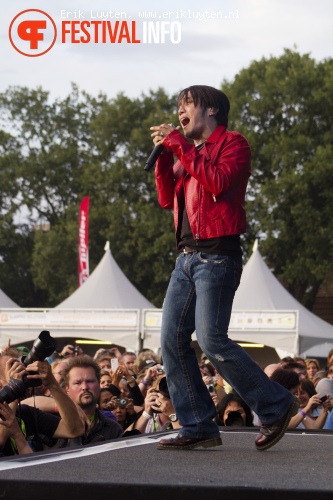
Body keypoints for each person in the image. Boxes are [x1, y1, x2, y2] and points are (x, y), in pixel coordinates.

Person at [149, 84, 298, 451]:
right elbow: (168, 199)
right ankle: (198, 424)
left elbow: (217, 182)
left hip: (217, 254)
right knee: (171, 340)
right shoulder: (188, 153)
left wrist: (180, 147)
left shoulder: (234, 143)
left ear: (211, 110)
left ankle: (276, 405)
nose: (180, 113)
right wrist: (166, 159)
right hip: (185, 257)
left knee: (212, 338)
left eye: (187, 105)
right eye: (179, 106)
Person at [0, 347, 86, 456]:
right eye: (13, 368)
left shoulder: (27, 414)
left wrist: (52, 383)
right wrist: (13, 388)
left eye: (22, 366)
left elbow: (75, 430)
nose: (21, 372)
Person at [59, 354, 123, 447]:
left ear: (98, 384)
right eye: (78, 383)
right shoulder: (53, 423)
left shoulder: (113, 429)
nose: (85, 387)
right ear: (67, 388)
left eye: (90, 381)